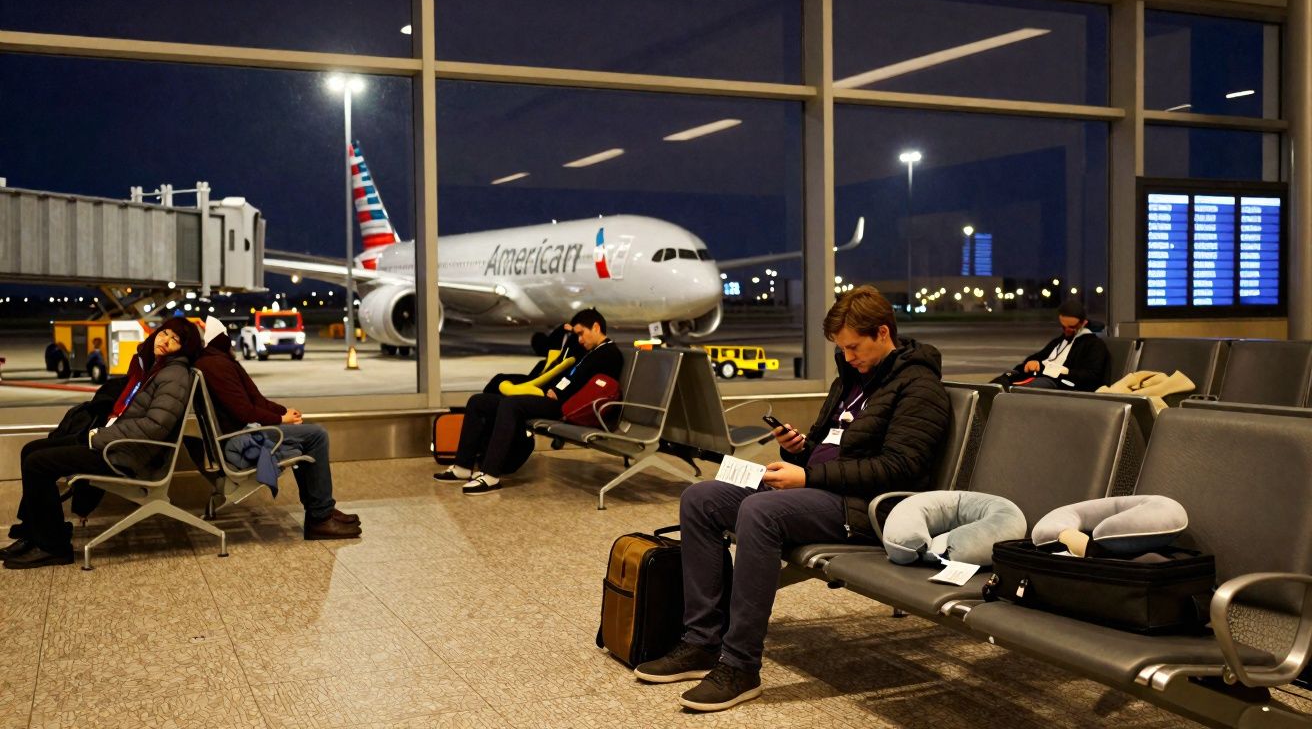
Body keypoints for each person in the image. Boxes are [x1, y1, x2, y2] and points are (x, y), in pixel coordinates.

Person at [633, 285, 950, 712]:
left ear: (882, 332)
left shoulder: (919, 387)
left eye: (854, 347)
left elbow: (900, 468)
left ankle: (740, 665)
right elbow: (828, 446)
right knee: (701, 498)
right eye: (842, 348)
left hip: (867, 507)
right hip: (818, 490)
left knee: (760, 512)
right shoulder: (850, 380)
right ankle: (702, 642)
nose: (848, 356)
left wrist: (808, 475)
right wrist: (799, 451)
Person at [1, 317, 204, 569]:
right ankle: (35, 533)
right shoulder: (156, 366)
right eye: (165, 333)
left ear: (184, 348)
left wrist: (98, 436)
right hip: (115, 441)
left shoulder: (174, 375)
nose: (166, 341)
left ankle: (53, 547)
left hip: (124, 453)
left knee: (38, 463)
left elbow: (154, 426)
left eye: (176, 340)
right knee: (30, 450)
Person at [193, 317, 360, 540]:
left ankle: (320, 510)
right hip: (240, 436)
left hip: (237, 433)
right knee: (316, 435)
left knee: (307, 436)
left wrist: (283, 412)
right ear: (221, 340)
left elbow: (254, 400)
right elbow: (245, 411)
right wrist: (280, 418)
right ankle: (320, 516)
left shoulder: (213, 362)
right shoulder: (218, 364)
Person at [434, 307, 623, 495]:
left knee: (511, 404)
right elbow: (566, 364)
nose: (579, 339)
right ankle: (463, 466)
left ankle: (491, 475)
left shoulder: (610, 354)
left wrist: (558, 392)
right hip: (554, 398)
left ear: (596, 327)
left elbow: (594, 389)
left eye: (581, 333)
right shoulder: (588, 350)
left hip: (567, 407)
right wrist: (555, 386)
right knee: (478, 402)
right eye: (577, 335)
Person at [993, 298, 1110, 391]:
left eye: (1071, 327)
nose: (1067, 330)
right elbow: (1039, 356)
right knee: (999, 383)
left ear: (1083, 323)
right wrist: (1031, 363)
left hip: (1060, 382)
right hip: (1042, 376)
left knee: (1024, 390)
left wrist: (1055, 370)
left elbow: (1091, 375)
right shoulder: (1060, 341)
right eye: (1063, 326)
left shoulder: (1094, 344)